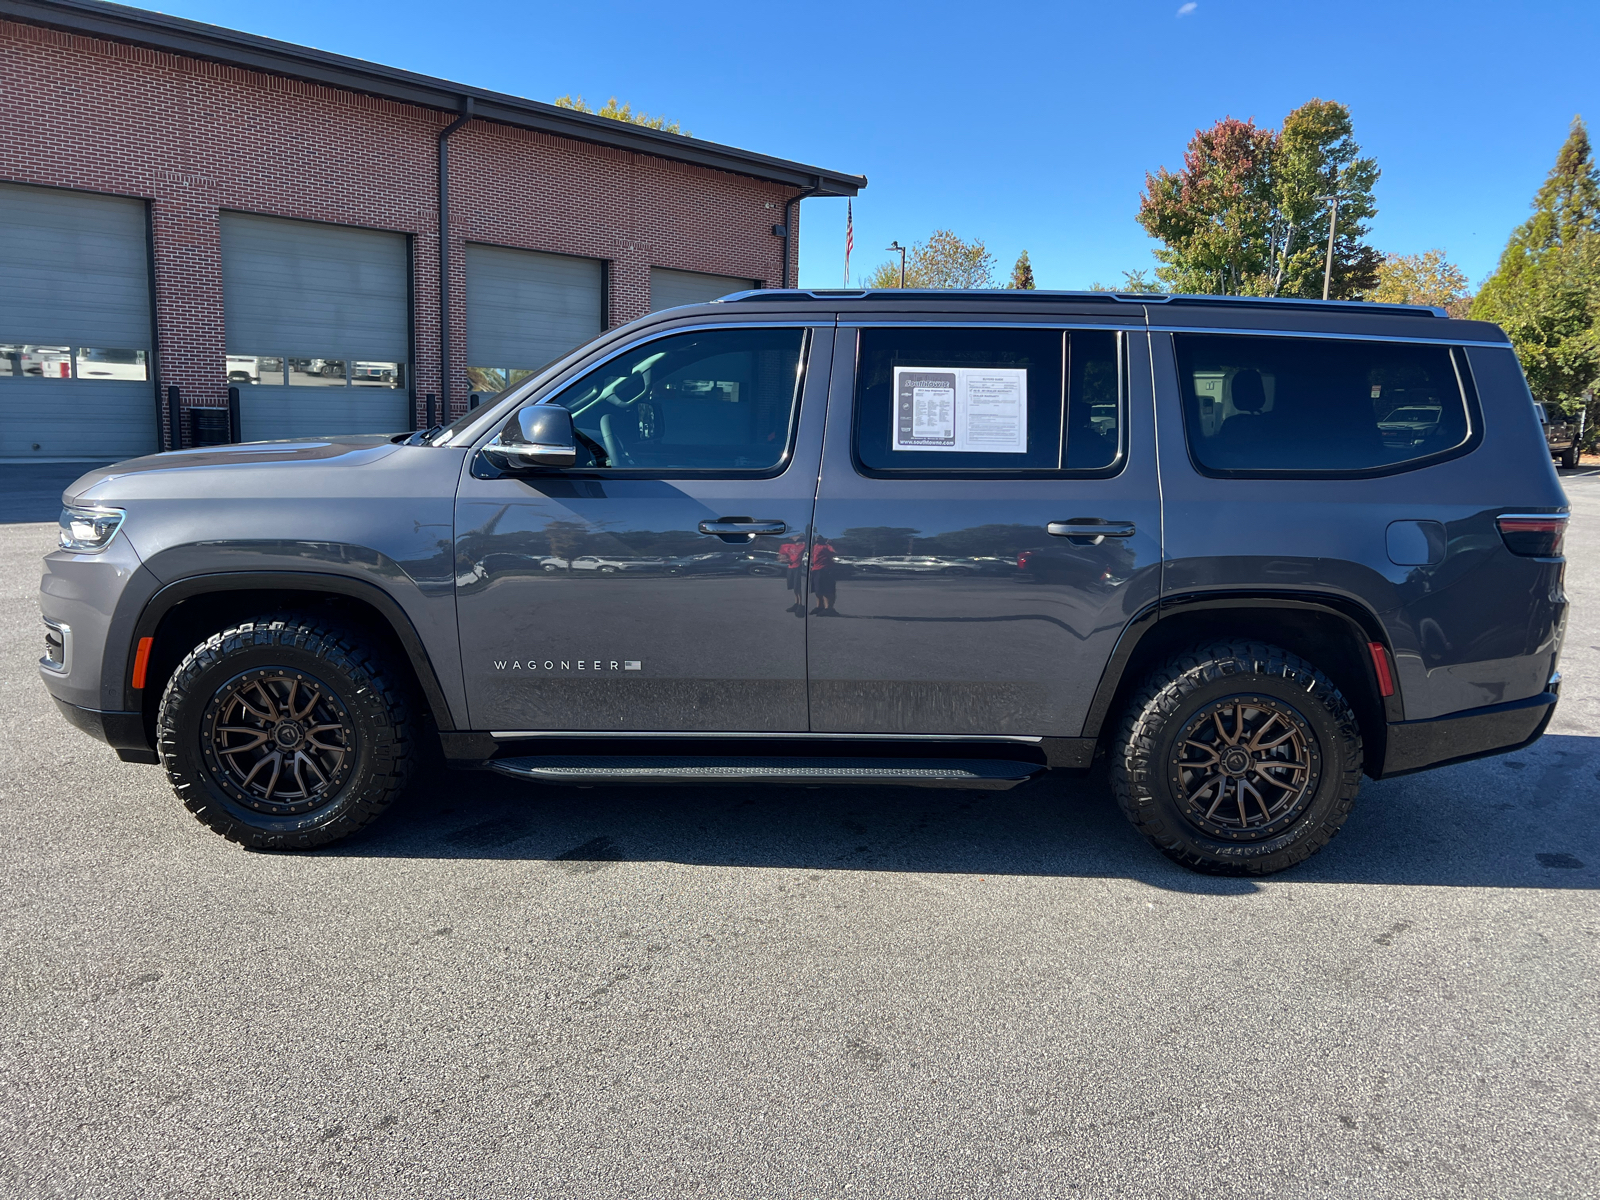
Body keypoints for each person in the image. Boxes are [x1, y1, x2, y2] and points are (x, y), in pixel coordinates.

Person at [809, 536, 839, 615]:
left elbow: (834, 553)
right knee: (818, 590)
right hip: (815, 569)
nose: (817, 539)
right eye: (816, 538)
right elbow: (811, 556)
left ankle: (829, 608)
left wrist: (830, 544)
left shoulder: (826, 546)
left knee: (827, 590)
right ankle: (819, 606)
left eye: (819, 538)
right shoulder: (814, 547)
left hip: (825, 569)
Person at [777, 534, 806, 615]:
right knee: (794, 587)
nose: (793, 537)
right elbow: (781, 556)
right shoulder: (786, 546)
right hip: (791, 567)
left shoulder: (804, 545)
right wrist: (783, 559)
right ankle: (796, 603)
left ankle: (801, 605)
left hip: (799, 567)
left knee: (798, 586)